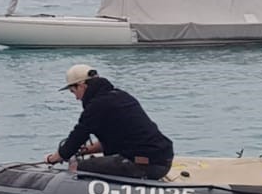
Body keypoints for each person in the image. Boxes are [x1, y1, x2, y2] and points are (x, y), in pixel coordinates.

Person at [44, 64, 175, 179]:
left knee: (77, 167)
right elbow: (119, 139)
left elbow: (76, 138)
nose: (76, 99)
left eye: (74, 92)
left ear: (82, 86)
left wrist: (53, 158)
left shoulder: (96, 106)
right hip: (163, 160)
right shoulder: (121, 96)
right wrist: (86, 150)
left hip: (144, 164)